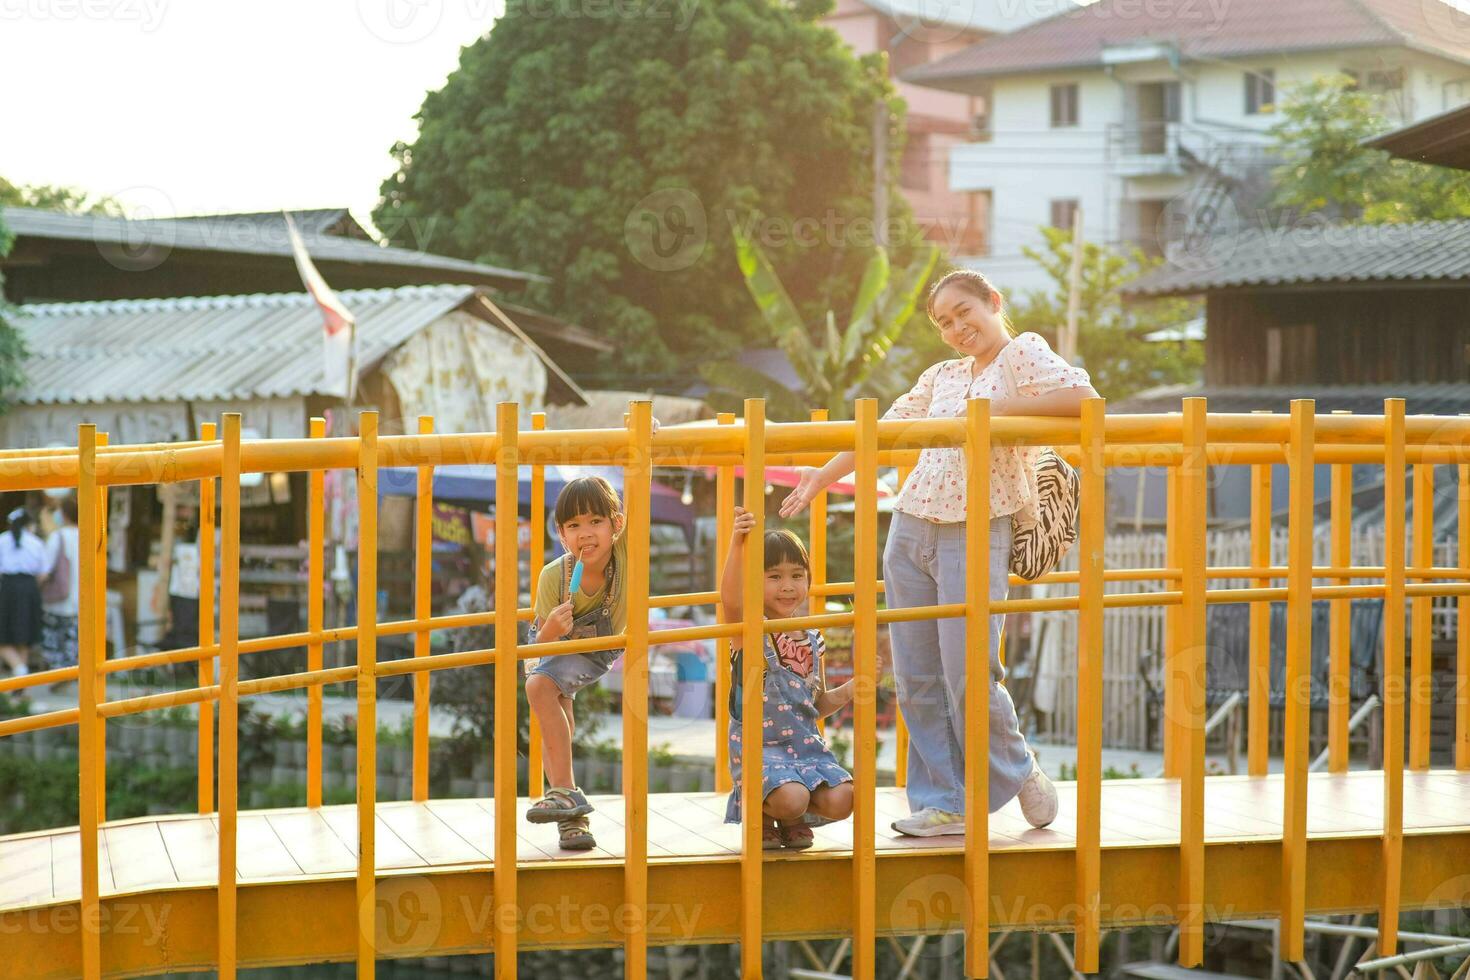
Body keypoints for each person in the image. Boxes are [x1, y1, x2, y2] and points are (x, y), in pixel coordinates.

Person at [779, 268, 1099, 836]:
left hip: (979, 523)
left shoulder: (1021, 353)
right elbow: (884, 430)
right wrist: (821, 476)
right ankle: (945, 800)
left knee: (970, 671)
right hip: (911, 525)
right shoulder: (942, 374)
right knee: (916, 674)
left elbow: (1082, 398)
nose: (956, 328)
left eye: (963, 313)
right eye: (943, 322)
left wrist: (994, 417)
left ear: (993, 302)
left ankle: (1018, 767)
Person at [720, 508, 854, 849]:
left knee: (846, 800)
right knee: (791, 798)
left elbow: (816, 705)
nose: (788, 586)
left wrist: (851, 690)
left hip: (805, 746)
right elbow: (731, 601)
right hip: (760, 748)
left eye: (797, 575)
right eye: (774, 576)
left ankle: (793, 817)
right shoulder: (749, 630)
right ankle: (766, 814)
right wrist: (737, 541)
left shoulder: (813, 638)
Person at [524, 476, 631, 851]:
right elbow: (535, 651)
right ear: (561, 533)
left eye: (595, 521)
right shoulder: (554, 575)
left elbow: (638, 484)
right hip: (554, 647)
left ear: (616, 524)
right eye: (574, 525)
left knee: (540, 688)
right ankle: (572, 821)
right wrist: (551, 628)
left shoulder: (626, 554)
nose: (586, 534)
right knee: (549, 704)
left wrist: (643, 446)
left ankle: (565, 792)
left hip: (599, 650)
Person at [0, 507, 48, 677]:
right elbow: (43, 573)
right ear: (29, 524)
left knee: (4, 634)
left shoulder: (2, 540)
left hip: (7, 587)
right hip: (29, 587)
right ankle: (22, 675)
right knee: (24, 636)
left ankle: (20, 672)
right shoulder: (36, 542)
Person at [40, 497, 81, 674]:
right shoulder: (86, 534)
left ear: (63, 514)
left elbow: (45, 568)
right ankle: (71, 672)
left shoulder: (58, 537)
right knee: (72, 639)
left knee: (54, 639)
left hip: (57, 599)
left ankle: (57, 674)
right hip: (80, 598)